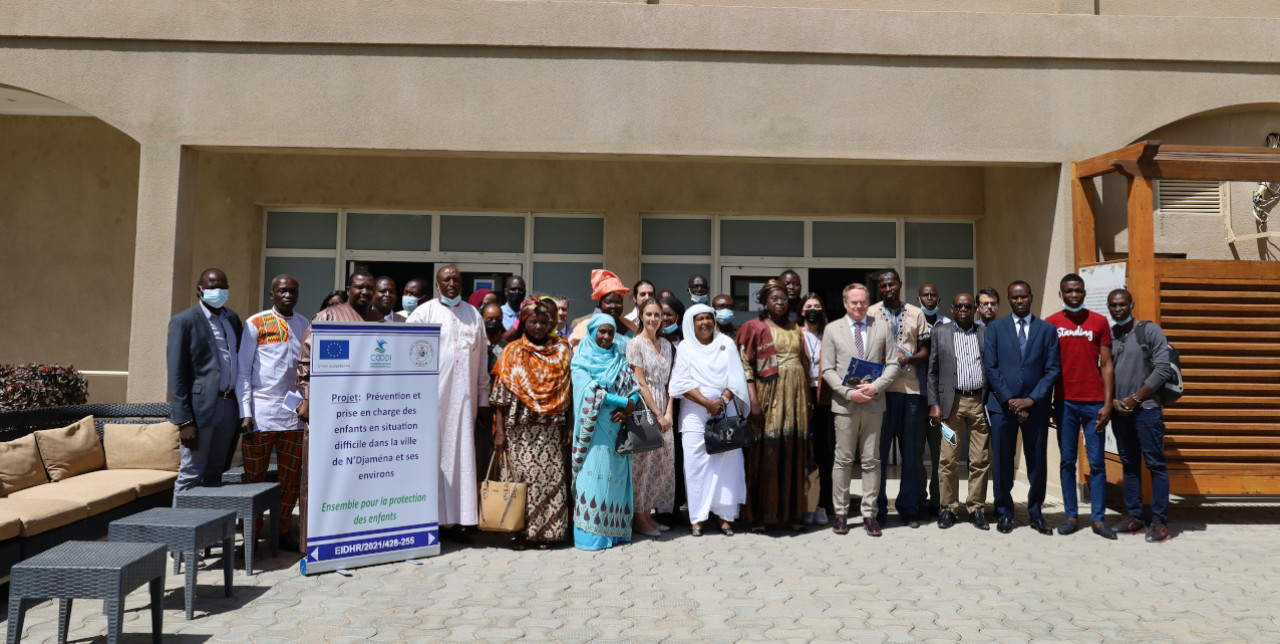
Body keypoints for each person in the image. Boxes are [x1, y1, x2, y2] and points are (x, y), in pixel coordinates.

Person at [407, 265, 490, 540]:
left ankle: (457, 522)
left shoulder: (473, 315)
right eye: (446, 280)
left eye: (456, 279)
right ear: (438, 284)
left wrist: (483, 400)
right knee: (432, 459)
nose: (452, 284)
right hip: (430, 404)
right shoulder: (423, 314)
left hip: (465, 404)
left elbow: (482, 365)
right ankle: (429, 521)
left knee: (462, 460)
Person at [490, 297, 574, 548]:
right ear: (524, 322)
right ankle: (518, 532)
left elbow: (571, 392)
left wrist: (569, 425)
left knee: (549, 483)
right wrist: (500, 432)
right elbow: (501, 398)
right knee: (519, 482)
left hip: (550, 429)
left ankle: (545, 534)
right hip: (519, 431)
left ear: (551, 323)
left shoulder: (562, 349)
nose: (538, 326)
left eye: (543, 322)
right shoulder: (513, 351)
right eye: (533, 321)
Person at [236, 274, 307, 551]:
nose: (287, 295)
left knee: (290, 477)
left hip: (292, 412)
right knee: (254, 477)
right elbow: (243, 370)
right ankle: (251, 535)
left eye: (292, 291)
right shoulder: (256, 323)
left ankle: (283, 530)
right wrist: (245, 410)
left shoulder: (304, 325)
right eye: (282, 291)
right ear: (272, 294)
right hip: (260, 412)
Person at [983, 281, 1061, 535]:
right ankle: (1005, 512)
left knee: (1037, 462)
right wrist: (1010, 400)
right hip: (1002, 408)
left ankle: (1036, 513)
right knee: (1003, 462)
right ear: (1009, 299)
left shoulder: (1047, 330)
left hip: (1035, 408)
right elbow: (991, 367)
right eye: (1014, 297)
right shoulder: (995, 328)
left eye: (1024, 297)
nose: (1019, 301)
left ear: (1031, 297)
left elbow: (1052, 370)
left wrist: (1031, 400)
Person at [822, 284, 900, 537]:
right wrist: (848, 393)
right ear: (845, 303)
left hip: (874, 404)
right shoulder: (832, 329)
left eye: (863, 302)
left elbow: (892, 363)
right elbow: (827, 370)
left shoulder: (882, 327)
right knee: (843, 460)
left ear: (869, 302)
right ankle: (841, 513)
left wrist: (875, 387)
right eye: (854, 302)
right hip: (845, 404)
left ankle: (869, 513)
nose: (858, 306)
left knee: (871, 460)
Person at [669, 304, 750, 537]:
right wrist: (707, 403)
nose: (705, 322)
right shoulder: (684, 347)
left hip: (725, 411)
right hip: (694, 413)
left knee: (727, 464)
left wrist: (722, 402)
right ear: (690, 323)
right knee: (696, 466)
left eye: (708, 318)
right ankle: (698, 518)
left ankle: (725, 517)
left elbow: (735, 378)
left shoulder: (726, 343)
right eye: (699, 319)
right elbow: (681, 383)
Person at [737, 279, 810, 532]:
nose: (780, 303)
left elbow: (805, 361)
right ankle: (761, 515)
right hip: (769, 395)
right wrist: (754, 400)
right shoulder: (753, 326)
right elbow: (745, 365)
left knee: (791, 451)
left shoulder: (796, 328)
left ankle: (789, 514)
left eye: (783, 299)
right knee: (767, 453)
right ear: (764, 302)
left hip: (796, 397)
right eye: (774, 299)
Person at [1046, 273, 1115, 539]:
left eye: (1078, 290)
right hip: (1065, 403)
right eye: (1068, 291)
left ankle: (1098, 519)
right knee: (1067, 461)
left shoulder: (1099, 322)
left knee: (1097, 463)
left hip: (1094, 403)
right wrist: (1050, 401)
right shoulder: (1051, 324)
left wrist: (1108, 403)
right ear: (1061, 294)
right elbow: (1048, 367)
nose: (1073, 295)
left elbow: (1107, 365)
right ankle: (1071, 516)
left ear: (1084, 293)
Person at [168, 268, 244, 494]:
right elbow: (176, 374)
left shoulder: (232, 319)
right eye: (212, 287)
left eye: (223, 286)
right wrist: (184, 422)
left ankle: (209, 526)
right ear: (200, 290)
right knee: (191, 473)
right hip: (200, 411)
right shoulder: (184, 321)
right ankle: (180, 527)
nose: (218, 291)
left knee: (216, 473)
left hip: (229, 407)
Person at [1106, 288, 1173, 543]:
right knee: (1129, 464)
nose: (1118, 309)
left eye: (1122, 304)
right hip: (1120, 412)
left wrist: (1135, 399)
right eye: (1113, 305)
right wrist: (1112, 401)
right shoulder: (1110, 336)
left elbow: (1162, 370)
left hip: (1146, 411)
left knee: (1156, 465)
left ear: (1131, 304)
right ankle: (1134, 517)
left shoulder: (1149, 330)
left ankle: (1160, 522)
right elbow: (1103, 373)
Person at [570, 314, 640, 551]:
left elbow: (634, 388)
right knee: (592, 481)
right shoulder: (580, 360)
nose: (607, 337)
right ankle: (591, 538)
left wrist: (630, 404)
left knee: (615, 481)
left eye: (610, 332)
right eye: (602, 331)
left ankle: (615, 533)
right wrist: (623, 402)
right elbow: (590, 391)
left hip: (618, 430)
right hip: (593, 431)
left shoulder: (618, 359)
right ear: (591, 333)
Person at [868, 269, 929, 527]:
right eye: (883, 285)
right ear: (879, 288)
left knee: (911, 453)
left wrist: (908, 358)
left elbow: (926, 350)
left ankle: (908, 507)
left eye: (892, 283)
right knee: (878, 453)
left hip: (910, 392)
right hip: (880, 393)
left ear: (900, 284)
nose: (888, 288)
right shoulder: (871, 313)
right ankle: (879, 509)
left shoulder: (917, 313)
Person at [927, 293, 992, 530]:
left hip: (978, 404)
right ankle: (948, 508)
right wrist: (934, 403)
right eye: (959, 306)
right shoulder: (939, 333)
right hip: (949, 406)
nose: (963, 309)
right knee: (948, 459)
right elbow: (932, 372)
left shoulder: (984, 333)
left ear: (974, 308)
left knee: (980, 459)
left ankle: (976, 508)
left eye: (967, 306)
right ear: (952, 309)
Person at [296, 271, 380, 422]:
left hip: (368, 401)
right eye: (359, 287)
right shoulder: (327, 316)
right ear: (348, 290)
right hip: (332, 399)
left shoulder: (379, 320)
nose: (365, 292)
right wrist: (308, 398)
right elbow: (306, 360)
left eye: (370, 288)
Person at [627, 298, 676, 537]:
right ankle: (639, 518)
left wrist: (668, 413)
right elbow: (640, 382)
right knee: (643, 467)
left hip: (665, 408)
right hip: (645, 408)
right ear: (641, 316)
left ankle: (649, 514)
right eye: (649, 314)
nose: (653, 319)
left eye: (657, 315)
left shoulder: (667, 344)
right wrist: (657, 413)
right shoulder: (635, 344)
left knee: (662, 465)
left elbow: (671, 383)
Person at [915, 283, 951, 518]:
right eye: (925, 295)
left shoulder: (947, 324)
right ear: (919, 298)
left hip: (941, 401)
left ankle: (939, 500)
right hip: (916, 398)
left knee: (942, 452)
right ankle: (919, 499)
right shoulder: (911, 322)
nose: (929, 298)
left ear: (938, 299)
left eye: (933, 295)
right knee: (915, 451)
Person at [799, 293, 833, 526]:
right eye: (809, 306)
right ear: (802, 311)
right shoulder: (794, 334)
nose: (813, 309)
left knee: (825, 454)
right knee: (800, 453)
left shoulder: (831, 335)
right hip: (799, 398)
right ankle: (802, 505)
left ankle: (822, 504)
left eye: (817, 306)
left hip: (826, 399)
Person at [569, 270, 636, 348]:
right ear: (600, 303)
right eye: (609, 302)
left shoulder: (630, 327)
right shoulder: (583, 326)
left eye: (618, 302)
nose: (614, 306)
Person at [477, 302, 506, 479]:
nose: (493, 322)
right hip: (478, 410)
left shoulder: (508, 348)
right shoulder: (476, 346)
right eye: (489, 319)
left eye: (497, 319)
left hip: (500, 412)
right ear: (482, 320)